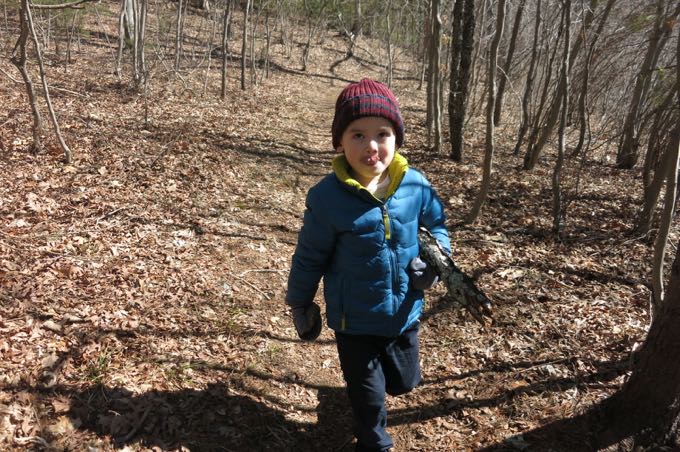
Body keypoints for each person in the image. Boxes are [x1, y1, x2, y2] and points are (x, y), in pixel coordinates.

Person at [286, 78, 450, 452]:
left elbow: (438, 227)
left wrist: (435, 264)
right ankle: (374, 441)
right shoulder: (327, 198)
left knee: (405, 383)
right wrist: (299, 302)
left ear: (397, 138)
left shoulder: (417, 186)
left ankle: (386, 391)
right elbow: (310, 255)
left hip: (404, 313)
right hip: (354, 320)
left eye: (382, 133)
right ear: (340, 142)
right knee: (369, 399)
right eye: (357, 135)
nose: (371, 146)